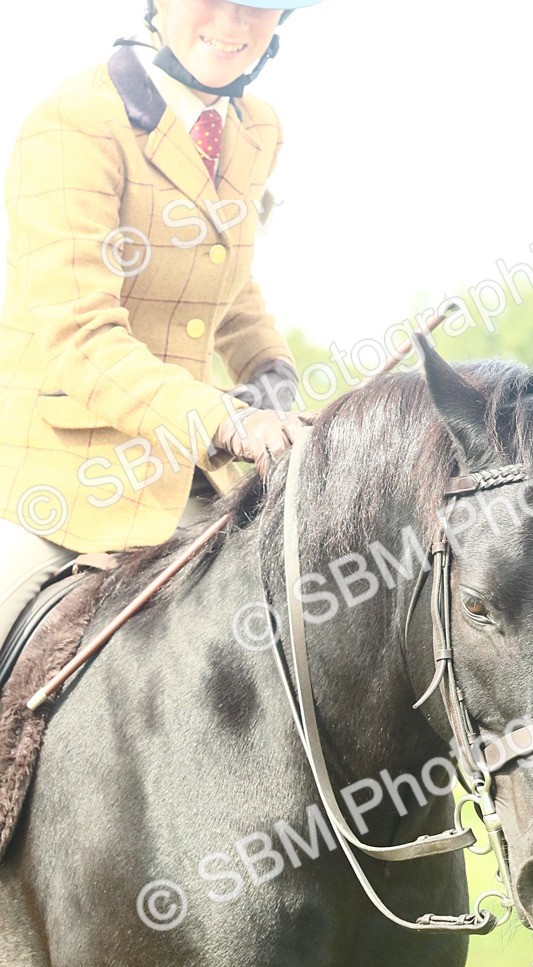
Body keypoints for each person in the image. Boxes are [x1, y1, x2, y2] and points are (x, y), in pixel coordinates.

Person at [0, 0, 320, 648]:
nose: (233, 23)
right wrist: (229, 420)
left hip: (189, 483)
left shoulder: (257, 128)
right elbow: (78, 336)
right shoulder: (74, 122)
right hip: (60, 483)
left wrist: (271, 373)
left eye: (257, 6)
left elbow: (225, 275)